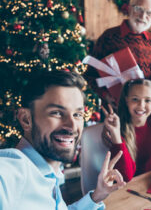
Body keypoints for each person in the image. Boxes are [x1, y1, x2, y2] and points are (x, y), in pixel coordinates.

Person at [0, 70, 126, 210]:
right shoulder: (11, 172)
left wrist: (97, 196)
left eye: (77, 114)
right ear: (26, 119)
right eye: (57, 113)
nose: (72, 126)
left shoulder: (49, 173)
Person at [84, 0, 151, 105]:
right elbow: (90, 74)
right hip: (115, 107)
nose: (142, 16)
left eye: (149, 13)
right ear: (129, 8)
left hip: (144, 108)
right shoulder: (109, 36)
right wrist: (105, 96)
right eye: (139, 9)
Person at [99, 79, 151, 182]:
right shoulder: (119, 129)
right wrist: (116, 135)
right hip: (127, 189)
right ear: (127, 101)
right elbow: (125, 177)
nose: (141, 105)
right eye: (135, 99)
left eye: (147, 100)